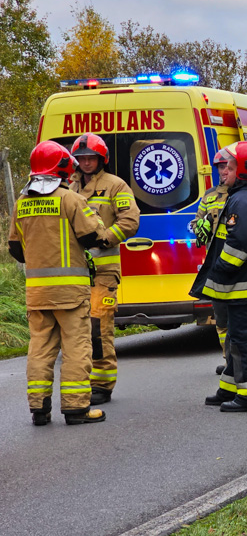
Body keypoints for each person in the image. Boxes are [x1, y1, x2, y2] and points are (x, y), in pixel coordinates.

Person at [8, 141, 108, 425]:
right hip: (70, 294)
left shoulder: (21, 202)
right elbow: (93, 237)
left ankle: (39, 409)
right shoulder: (70, 199)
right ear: (63, 168)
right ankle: (76, 408)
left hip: (37, 293)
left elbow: (15, 249)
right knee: (77, 348)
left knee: (40, 349)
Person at [192, 141, 247, 412]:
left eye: (230, 166)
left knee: (246, 340)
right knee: (235, 339)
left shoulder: (242, 199)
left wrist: (219, 271)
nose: (224, 171)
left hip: (244, 285)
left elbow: (239, 247)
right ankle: (229, 387)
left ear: (246, 169)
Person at [69, 133, 140, 405]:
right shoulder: (68, 187)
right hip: (73, 271)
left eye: (91, 158)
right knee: (78, 329)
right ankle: (80, 381)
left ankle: (102, 384)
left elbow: (130, 221)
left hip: (103, 270)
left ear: (102, 160)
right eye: (82, 158)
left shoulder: (115, 186)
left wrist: (104, 238)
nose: (86, 163)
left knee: (99, 328)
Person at [191, 148, 233, 375]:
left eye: (227, 166)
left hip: (238, 263)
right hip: (216, 263)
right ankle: (228, 359)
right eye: (220, 167)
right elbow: (197, 222)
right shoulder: (209, 196)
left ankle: (237, 359)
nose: (224, 171)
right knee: (221, 318)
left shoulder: (241, 194)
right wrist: (201, 227)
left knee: (238, 317)